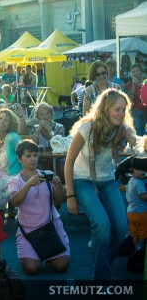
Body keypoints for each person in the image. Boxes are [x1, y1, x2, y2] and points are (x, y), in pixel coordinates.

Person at [64, 88, 135, 280]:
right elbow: (68, 162)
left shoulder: (122, 128)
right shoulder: (87, 128)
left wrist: (136, 140)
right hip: (83, 180)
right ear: (105, 109)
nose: (121, 113)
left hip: (107, 180)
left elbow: (132, 137)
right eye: (117, 109)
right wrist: (70, 195)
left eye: (123, 109)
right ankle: (101, 277)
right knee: (102, 226)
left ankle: (102, 263)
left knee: (120, 228)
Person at [8, 140, 70, 275]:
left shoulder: (47, 174)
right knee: (31, 269)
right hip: (28, 230)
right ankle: (41, 255)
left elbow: (61, 201)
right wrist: (28, 184)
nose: (32, 159)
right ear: (19, 158)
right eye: (28, 156)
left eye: (35, 155)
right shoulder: (14, 181)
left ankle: (48, 256)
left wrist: (58, 186)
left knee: (62, 266)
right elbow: (15, 202)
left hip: (51, 227)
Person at [126, 167, 147, 248]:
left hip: (130, 212)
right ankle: (141, 251)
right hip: (141, 213)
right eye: (141, 169)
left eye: (145, 170)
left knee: (134, 234)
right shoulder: (139, 182)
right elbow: (143, 197)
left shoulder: (130, 181)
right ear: (131, 170)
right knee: (143, 234)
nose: (144, 172)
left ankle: (135, 249)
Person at [126, 64, 147, 135]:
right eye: (133, 72)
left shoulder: (145, 82)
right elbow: (130, 100)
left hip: (146, 109)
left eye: (137, 71)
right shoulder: (129, 84)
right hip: (137, 110)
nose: (135, 73)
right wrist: (133, 86)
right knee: (139, 131)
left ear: (141, 72)